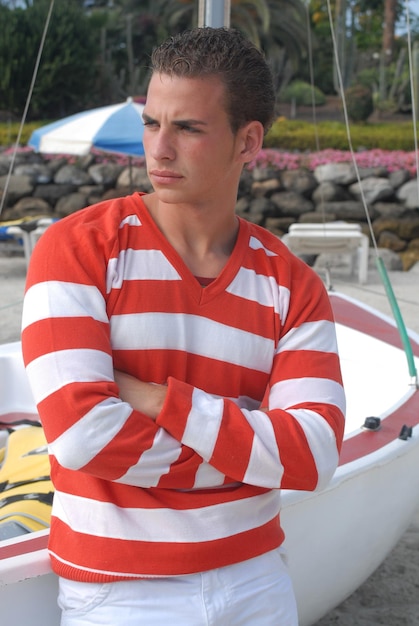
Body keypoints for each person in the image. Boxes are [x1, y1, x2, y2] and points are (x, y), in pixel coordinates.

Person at [21, 27, 345, 625]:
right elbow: (83, 434)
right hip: (120, 591)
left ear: (248, 141)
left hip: (257, 583)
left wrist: (150, 397)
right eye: (152, 123)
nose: (159, 149)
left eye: (188, 128)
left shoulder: (293, 284)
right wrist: (252, 458)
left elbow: (315, 454)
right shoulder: (77, 250)